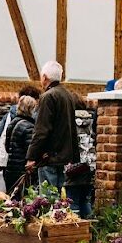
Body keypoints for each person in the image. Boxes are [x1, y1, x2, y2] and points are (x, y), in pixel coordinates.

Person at [25, 61, 79, 191]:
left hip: (49, 157)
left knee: (48, 198)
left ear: (44, 77)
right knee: (60, 198)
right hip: (64, 156)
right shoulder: (68, 95)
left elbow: (41, 130)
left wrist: (31, 157)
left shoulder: (48, 97)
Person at [64, 100, 96, 219]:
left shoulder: (70, 122)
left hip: (73, 168)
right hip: (88, 166)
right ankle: (90, 229)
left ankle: (76, 230)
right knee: (85, 201)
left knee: (73, 203)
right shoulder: (90, 121)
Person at [3, 95, 38, 194]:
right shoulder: (29, 127)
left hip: (10, 169)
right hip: (22, 170)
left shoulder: (12, 123)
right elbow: (30, 152)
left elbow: (7, 147)